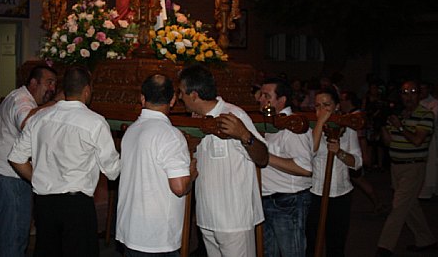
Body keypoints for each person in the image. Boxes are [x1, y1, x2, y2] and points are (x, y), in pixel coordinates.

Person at [8, 66, 120, 257]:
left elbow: (16, 158)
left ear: (64, 90)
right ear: (87, 90)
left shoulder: (40, 117)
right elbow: (112, 171)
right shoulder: (94, 122)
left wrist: (38, 178)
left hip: (44, 203)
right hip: (76, 206)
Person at [178, 64, 269, 257]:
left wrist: (244, 134)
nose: (179, 98)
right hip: (207, 218)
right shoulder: (196, 120)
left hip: (234, 221)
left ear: (193, 95)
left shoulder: (234, 114)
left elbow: (263, 158)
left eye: (181, 93)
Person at [116, 74, 198, 256]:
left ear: (142, 98)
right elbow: (178, 187)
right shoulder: (170, 135)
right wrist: (191, 174)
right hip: (156, 237)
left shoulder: (131, 130)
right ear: (173, 100)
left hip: (130, 229)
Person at [0, 65, 57, 257]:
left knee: (5, 233)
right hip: (8, 176)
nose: (52, 88)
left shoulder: (23, 99)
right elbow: (27, 123)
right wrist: (57, 103)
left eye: (55, 84)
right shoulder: (21, 100)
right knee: (14, 236)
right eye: (49, 82)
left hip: (2, 173)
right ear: (33, 83)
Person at [375, 80, 437, 257]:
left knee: (398, 207)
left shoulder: (425, 115)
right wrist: (382, 125)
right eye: (404, 92)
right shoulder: (399, 114)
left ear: (419, 94)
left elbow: (417, 141)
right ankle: (427, 240)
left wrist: (399, 126)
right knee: (410, 206)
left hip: (413, 166)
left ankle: (384, 247)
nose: (408, 96)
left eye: (412, 92)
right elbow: (388, 142)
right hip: (396, 167)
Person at [258, 77, 314, 257]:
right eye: (260, 94)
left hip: (287, 201)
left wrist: (264, 156)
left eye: (266, 95)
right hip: (267, 198)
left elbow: (305, 168)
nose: (260, 99)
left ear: (281, 101)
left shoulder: (293, 126)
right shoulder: (270, 122)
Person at [306, 88, 362, 257]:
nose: (321, 109)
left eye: (326, 105)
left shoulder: (348, 129)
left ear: (337, 106)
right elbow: (311, 152)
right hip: (315, 192)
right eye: (317, 106)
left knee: (336, 244)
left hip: (341, 193)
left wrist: (339, 152)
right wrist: (320, 123)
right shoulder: (309, 129)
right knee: (312, 242)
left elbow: (357, 163)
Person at [418, 82, 438, 199]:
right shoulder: (416, 102)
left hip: (430, 137)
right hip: (417, 134)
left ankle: (428, 190)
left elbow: (433, 120)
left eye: (424, 89)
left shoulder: (435, 103)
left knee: (431, 164)